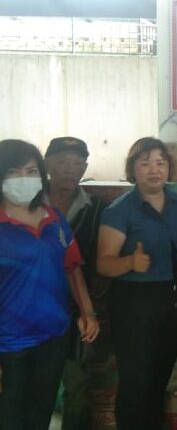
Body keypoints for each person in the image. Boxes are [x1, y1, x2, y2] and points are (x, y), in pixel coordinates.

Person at [97, 137, 177, 430]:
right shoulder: (119, 210)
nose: (154, 169)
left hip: (176, 299)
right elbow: (104, 262)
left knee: (160, 375)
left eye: (160, 163)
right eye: (145, 163)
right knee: (136, 380)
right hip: (135, 302)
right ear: (133, 169)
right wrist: (129, 263)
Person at [0, 139, 99, 430]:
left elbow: (72, 267)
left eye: (31, 172)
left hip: (53, 337)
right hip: (9, 343)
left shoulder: (53, 219)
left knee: (40, 414)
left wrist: (87, 311)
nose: (24, 179)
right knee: (10, 417)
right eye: (13, 172)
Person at [45, 136, 108, 430]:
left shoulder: (96, 209)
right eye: (62, 162)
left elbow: (91, 264)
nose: (70, 169)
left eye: (77, 163)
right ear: (47, 165)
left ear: (85, 168)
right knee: (31, 384)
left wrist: (89, 309)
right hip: (30, 311)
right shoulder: (27, 205)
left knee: (78, 387)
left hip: (77, 314)